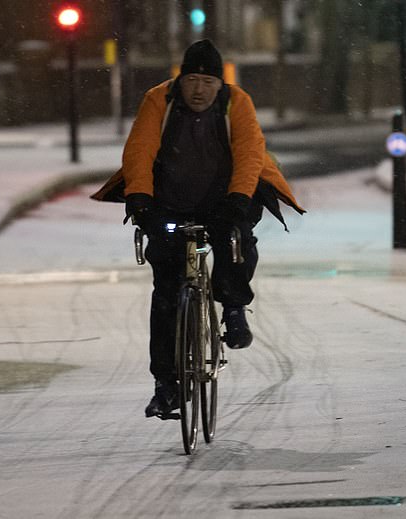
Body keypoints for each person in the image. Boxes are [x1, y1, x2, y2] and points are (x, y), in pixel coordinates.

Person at [91, 39, 305, 418]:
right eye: (191, 80)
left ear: (220, 85)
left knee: (235, 240)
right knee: (166, 292)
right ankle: (166, 385)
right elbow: (139, 150)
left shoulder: (236, 103)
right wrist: (140, 199)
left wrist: (239, 199)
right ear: (180, 80)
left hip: (224, 195)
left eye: (208, 82)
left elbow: (250, 153)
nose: (199, 89)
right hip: (170, 198)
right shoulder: (159, 101)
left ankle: (234, 306)